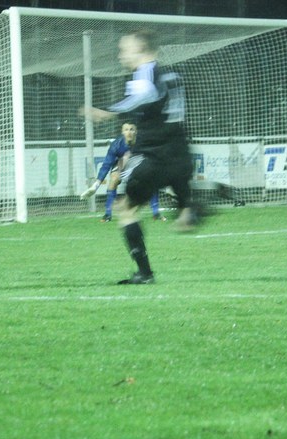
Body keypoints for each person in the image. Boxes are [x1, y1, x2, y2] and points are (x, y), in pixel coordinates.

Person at [80, 29, 195, 285]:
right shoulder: (172, 76)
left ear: (141, 49)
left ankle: (145, 273)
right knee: (181, 210)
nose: (121, 55)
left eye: (125, 50)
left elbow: (143, 96)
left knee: (125, 208)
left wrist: (108, 111)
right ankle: (189, 209)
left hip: (154, 156)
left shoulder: (145, 73)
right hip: (178, 153)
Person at [80, 122, 164, 222]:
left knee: (152, 177)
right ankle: (107, 214)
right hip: (122, 163)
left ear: (136, 131)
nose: (129, 132)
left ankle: (156, 213)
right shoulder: (116, 145)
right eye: (126, 130)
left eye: (132, 129)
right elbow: (106, 165)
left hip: (138, 163)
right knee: (114, 178)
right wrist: (96, 185)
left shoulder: (143, 142)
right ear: (122, 132)